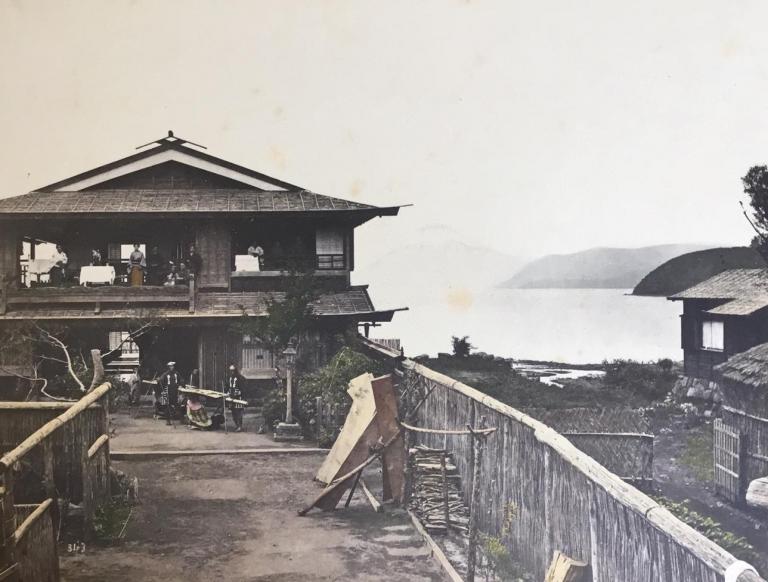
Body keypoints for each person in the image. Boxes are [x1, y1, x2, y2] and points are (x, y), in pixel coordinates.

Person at [225, 364, 246, 432]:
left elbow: (244, 388)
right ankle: (237, 425)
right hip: (231, 397)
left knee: (238, 412)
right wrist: (227, 392)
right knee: (233, 412)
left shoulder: (241, 378)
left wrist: (240, 392)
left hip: (238, 398)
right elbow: (227, 386)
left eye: (233, 371)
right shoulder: (229, 378)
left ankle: (240, 426)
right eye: (230, 371)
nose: (232, 372)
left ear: (236, 370)